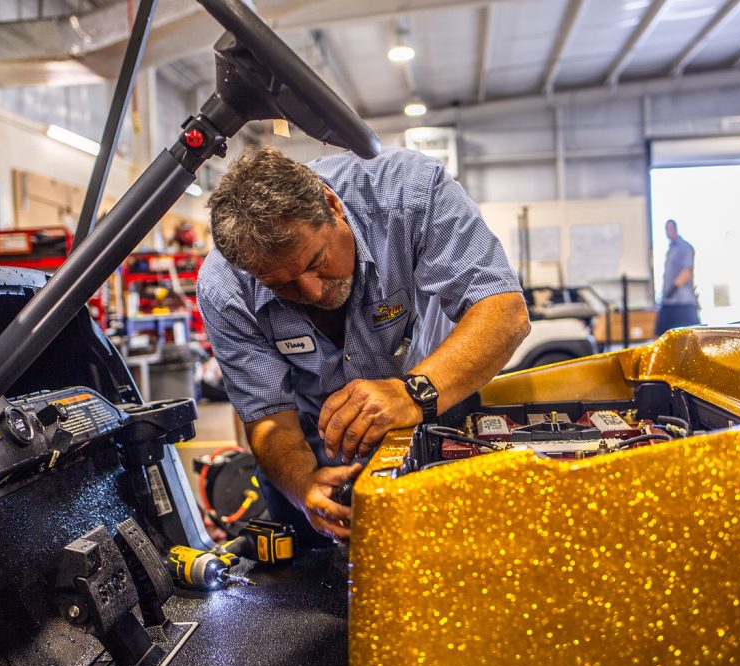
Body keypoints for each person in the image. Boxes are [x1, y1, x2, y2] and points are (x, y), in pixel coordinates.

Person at [196, 146, 530, 545]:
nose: (313, 291)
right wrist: (304, 486)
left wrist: (413, 393)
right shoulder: (224, 288)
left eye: (315, 261)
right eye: (280, 285)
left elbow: (504, 312)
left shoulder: (409, 193)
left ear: (332, 205)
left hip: (438, 420)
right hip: (314, 456)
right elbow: (267, 415)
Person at [655, 218, 700, 336]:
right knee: (660, 334)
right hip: (668, 302)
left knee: (692, 335)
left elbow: (687, 270)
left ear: (675, 229)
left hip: (683, 302)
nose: (668, 231)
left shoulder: (684, 247)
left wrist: (673, 288)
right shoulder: (671, 249)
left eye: (670, 228)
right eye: (666, 229)